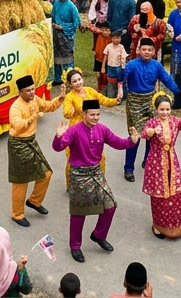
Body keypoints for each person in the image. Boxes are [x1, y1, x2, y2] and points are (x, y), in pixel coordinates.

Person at [52, 100, 138, 263]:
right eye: (92, 114)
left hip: (96, 172)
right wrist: (58, 137)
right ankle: (75, 246)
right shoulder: (74, 130)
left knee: (111, 206)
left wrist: (131, 141)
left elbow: (118, 143)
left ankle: (99, 235)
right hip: (78, 174)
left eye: (98, 114)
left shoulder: (102, 129)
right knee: (79, 213)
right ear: (84, 114)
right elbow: (58, 147)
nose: (96, 118)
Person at [140, 94, 181, 238]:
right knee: (159, 196)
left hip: (172, 161)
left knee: (176, 196)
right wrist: (152, 131)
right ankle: (157, 226)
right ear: (156, 109)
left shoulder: (175, 121)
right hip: (156, 164)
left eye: (167, 109)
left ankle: (175, 227)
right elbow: (144, 134)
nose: (165, 112)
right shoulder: (152, 123)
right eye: (162, 109)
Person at [7, 74, 61, 228]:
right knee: (21, 181)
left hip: (31, 141)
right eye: (28, 90)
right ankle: (17, 214)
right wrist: (31, 118)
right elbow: (17, 125)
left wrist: (60, 98)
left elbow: (48, 106)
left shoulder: (35, 99)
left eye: (33, 89)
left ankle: (34, 201)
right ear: (20, 92)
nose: (32, 92)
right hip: (18, 145)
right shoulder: (16, 107)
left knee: (46, 173)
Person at [121, 38, 178, 182]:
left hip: (151, 101)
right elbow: (121, 78)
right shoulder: (132, 64)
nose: (146, 52)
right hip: (134, 101)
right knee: (135, 135)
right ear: (139, 50)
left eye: (149, 50)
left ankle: (147, 160)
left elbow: (167, 79)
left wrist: (177, 92)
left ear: (154, 52)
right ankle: (128, 168)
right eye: (144, 49)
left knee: (153, 133)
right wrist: (122, 69)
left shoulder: (156, 65)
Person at [50, 0, 79, 84]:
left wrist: (63, 27)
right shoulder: (56, 3)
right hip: (56, 35)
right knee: (56, 57)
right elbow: (53, 15)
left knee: (67, 58)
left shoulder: (71, 7)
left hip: (66, 37)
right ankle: (57, 78)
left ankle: (70, 78)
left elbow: (76, 23)